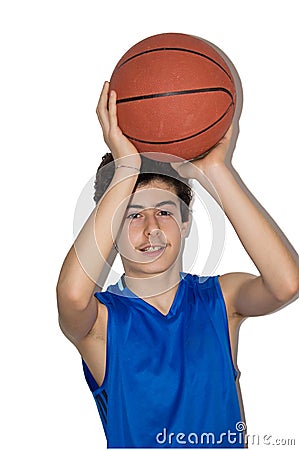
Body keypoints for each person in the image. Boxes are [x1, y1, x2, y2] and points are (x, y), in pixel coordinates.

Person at [56, 81, 299, 448]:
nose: (151, 228)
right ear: (111, 231)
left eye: (164, 212)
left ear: (185, 223)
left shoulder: (221, 299)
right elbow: (72, 296)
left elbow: (286, 284)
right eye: (132, 215)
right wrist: (125, 170)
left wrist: (217, 169)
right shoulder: (103, 324)